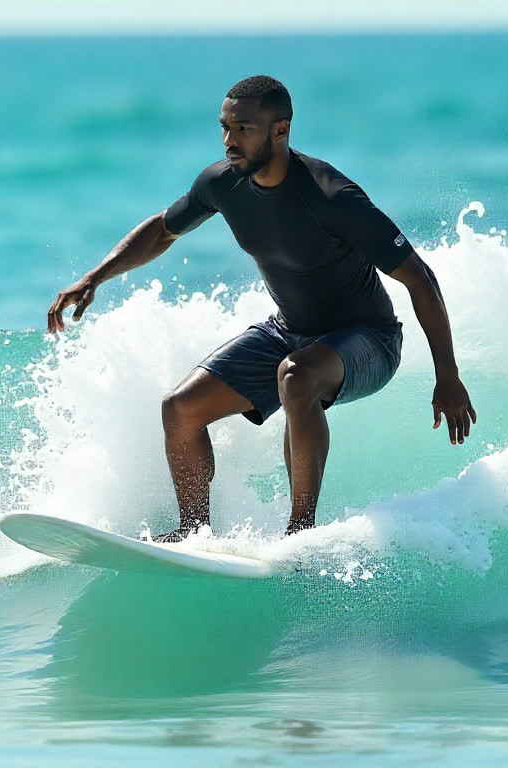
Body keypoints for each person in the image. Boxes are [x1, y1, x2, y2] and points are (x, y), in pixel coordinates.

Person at [46, 75, 476, 541]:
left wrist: (447, 376)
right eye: (225, 127)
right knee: (180, 408)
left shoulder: (333, 197)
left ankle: (300, 535)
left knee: (296, 375)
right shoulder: (222, 184)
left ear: (280, 130)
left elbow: (420, 278)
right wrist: (96, 277)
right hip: (289, 330)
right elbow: (164, 230)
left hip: (368, 339)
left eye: (243, 129)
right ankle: (194, 534)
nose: (229, 141)